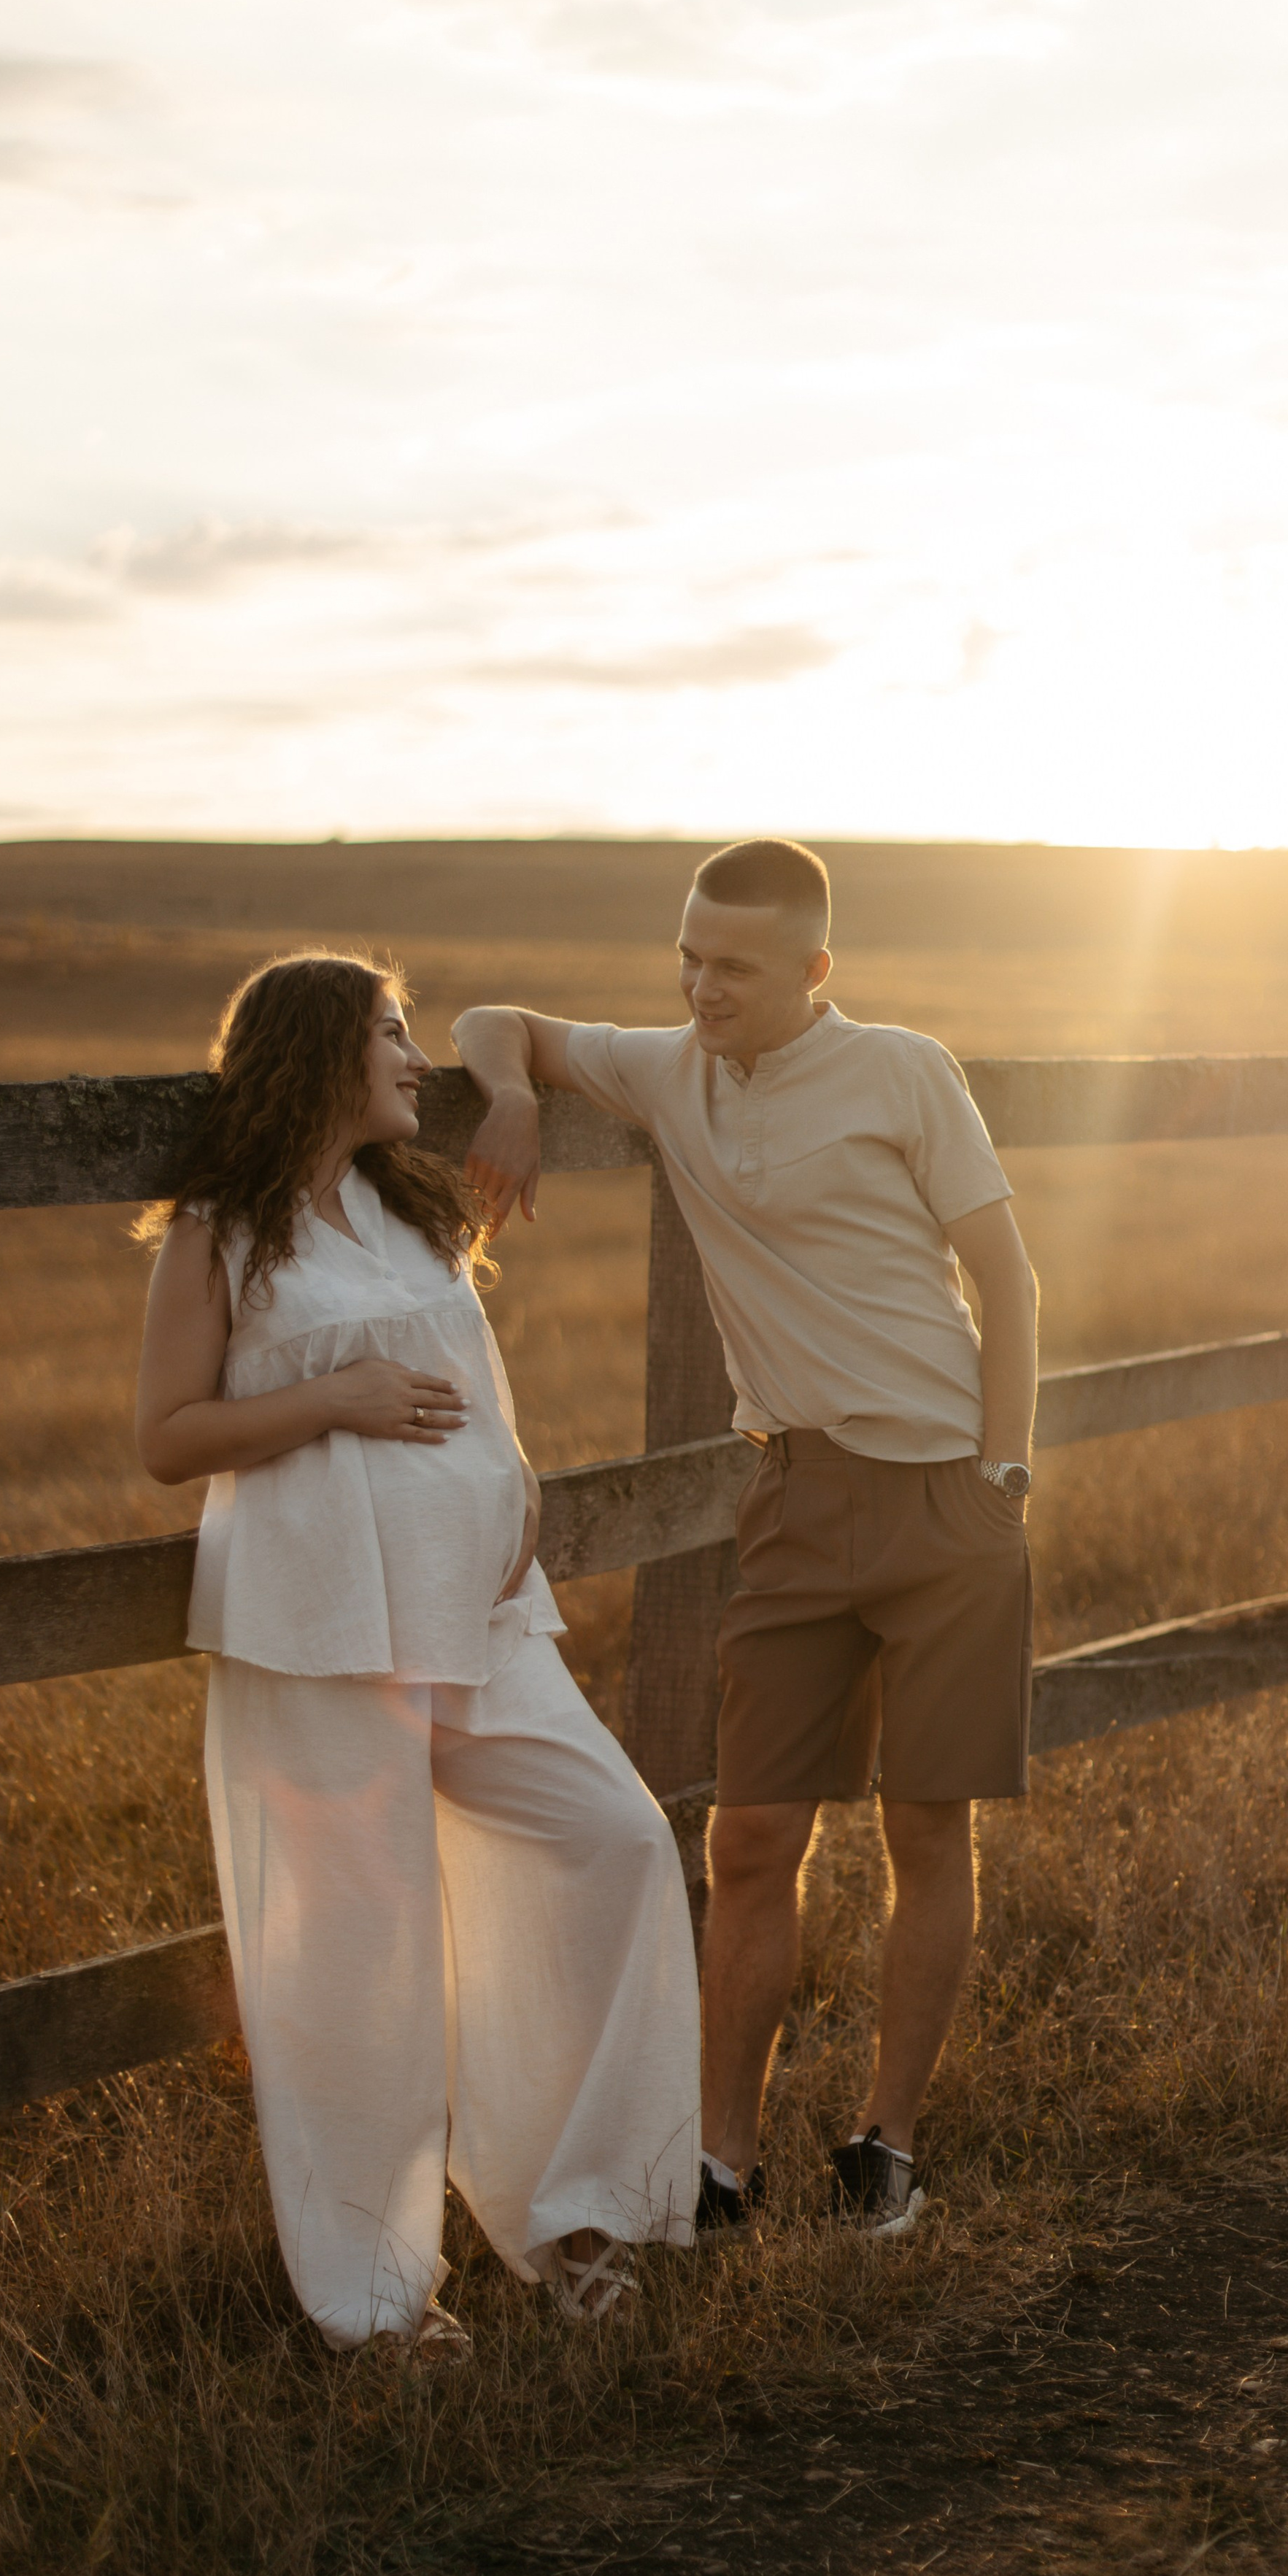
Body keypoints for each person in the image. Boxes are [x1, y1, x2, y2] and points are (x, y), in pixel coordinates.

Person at [453, 841, 1038, 2239]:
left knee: (926, 1827)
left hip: (947, 1494)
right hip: (792, 1497)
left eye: (734, 968)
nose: (701, 988)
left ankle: (887, 2149)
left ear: (815, 971)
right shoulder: (671, 1070)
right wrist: (513, 1095)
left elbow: (1009, 1279)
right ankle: (720, 2167)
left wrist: (1003, 1477)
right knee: (754, 1833)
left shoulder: (904, 1070)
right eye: (689, 958)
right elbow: (494, 1019)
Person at [134, 952, 699, 2358]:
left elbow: (475, 1386)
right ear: (320, 1053)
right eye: (390, 1032)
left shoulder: (409, 1209)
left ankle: (581, 2210)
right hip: (320, 1626)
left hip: (479, 1618)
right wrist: (338, 1399)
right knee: (357, 1964)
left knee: (619, 1841)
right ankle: (379, 2301)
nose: (412, 1057)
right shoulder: (224, 1232)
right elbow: (169, 1439)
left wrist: (521, 1487)